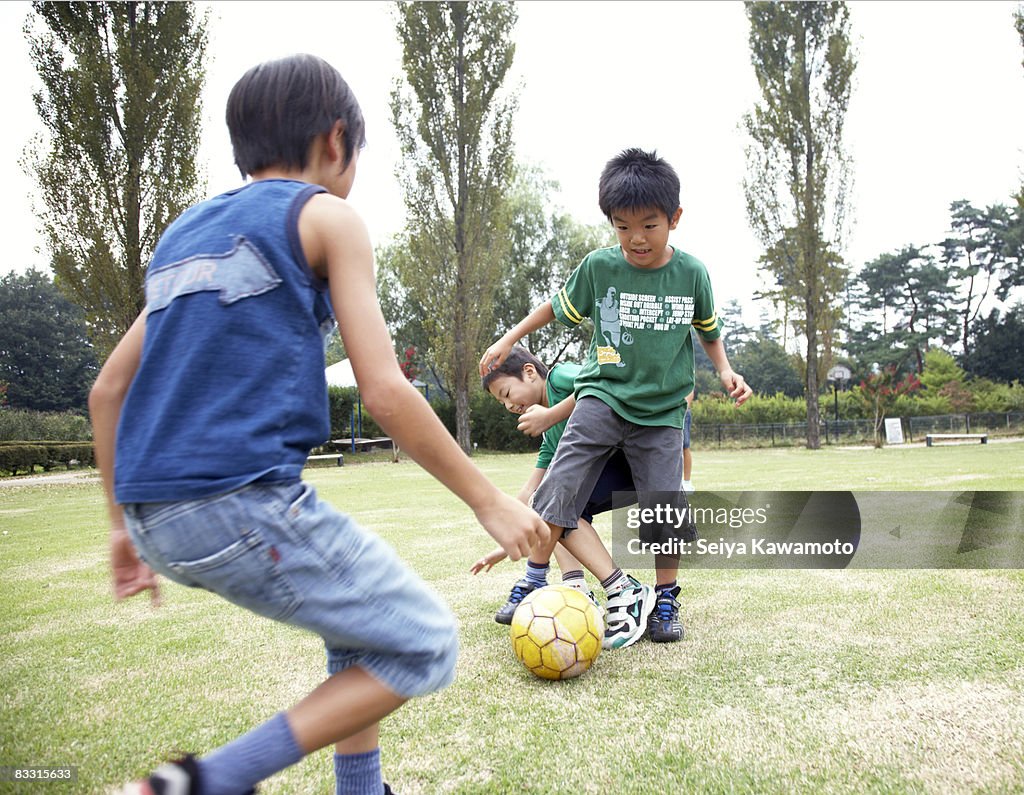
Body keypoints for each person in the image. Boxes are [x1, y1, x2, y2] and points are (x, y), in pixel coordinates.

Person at [91, 54, 547, 795]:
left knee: (361, 619)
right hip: (242, 502)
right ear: (338, 141)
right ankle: (199, 782)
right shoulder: (326, 216)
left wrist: (120, 528)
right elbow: (384, 390)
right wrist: (488, 499)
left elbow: (107, 389)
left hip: (153, 516)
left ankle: (360, 787)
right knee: (426, 643)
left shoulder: (183, 236)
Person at [480, 147, 751, 648]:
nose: (636, 239)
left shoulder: (692, 274)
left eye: (648, 225)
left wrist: (727, 371)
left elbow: (709, 331)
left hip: (662, 414)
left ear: (674, 219)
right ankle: (555, 581)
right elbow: (551, 308)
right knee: (558, 488)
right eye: (622, 227)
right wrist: (504, 340)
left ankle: (664, 597)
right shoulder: (599, 268)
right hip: (600, 398)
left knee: (662, 512)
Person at [472, 345, 636, 624]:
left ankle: (622, 588)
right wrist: (506, 543)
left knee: (550, 503)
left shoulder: (560, 378)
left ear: (530, 372)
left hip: (631, 466)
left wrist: (552, 414)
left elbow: (598, 384)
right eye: (502, 403)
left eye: (507, 394)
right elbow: (529, 491)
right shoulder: (550, 434)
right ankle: (576, 587)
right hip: (611, 479)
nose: (509, 406)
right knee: (546, 499)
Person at [683, 390, 695, 494]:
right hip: (665, 414)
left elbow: (690, 390)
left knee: (685, 446)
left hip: (682, 412)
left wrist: (684, 408)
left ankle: (687, 483)